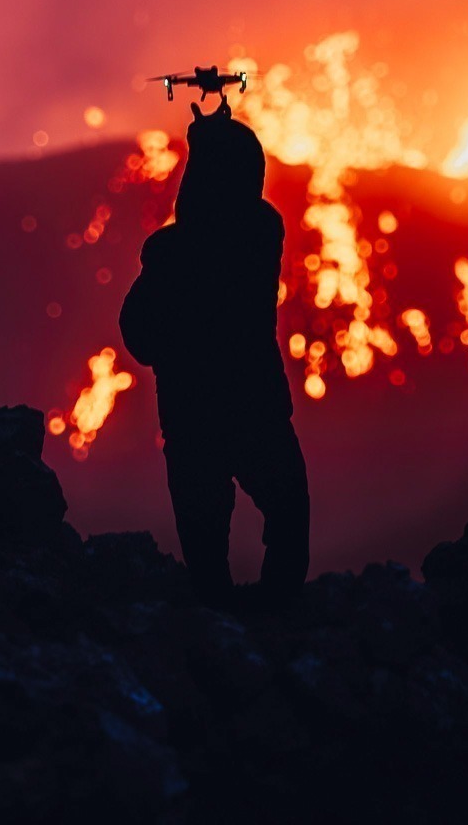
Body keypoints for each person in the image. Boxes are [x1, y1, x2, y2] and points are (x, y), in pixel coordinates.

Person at [119, 97, 310, 609]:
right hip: (256, 407)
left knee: (205, 544)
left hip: (193, 416)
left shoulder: (169, 254)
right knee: (288, 510)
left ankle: (220, 626)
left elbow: (137, 334)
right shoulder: (263, 232)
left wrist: (175, 352)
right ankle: (277, 614)